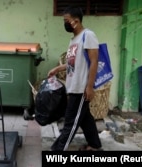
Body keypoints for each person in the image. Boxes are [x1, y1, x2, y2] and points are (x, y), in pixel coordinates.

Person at [48, 6, 102, 151]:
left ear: (76, 21)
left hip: (81, 88)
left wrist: (89, 87)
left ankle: (57, 151)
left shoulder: (88, 35)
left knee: (70, 123)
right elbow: (73, 63)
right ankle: (95, 145)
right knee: (84, 118)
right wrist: (58, 69)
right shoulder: (74, 40)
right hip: (73, 86)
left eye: (66, 20)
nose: (64, 23)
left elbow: (94, 61)